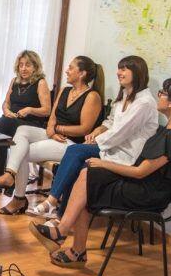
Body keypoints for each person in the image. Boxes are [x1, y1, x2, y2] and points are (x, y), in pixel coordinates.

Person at [29, 78, 171, 267]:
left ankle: (67, 238)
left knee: (88, 179)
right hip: (144, 184)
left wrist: (104, 164)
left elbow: (139, 172)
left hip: (148, 193)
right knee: (87, 176)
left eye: (163, 93)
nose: (158, 95)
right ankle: (67, 239)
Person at [30, 55, 159, 219]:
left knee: (75, 150)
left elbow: (121, 133)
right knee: (76, 161)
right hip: (112, 145)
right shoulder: (126, 95)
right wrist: (98, 130)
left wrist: (95, 141)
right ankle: (58, 211)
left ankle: (53, 202)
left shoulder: (144, 103)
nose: (119, 72)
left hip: (124, 154)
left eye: (124, 69)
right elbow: (111, 121)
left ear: (137, 72)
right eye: (119, 68)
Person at [0, 55, 103, 215]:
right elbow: (52, 117)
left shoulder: (92, 96)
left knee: (22, 151)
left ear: (82, 74)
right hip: (54, 135)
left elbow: (84, 129)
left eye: (71, 68)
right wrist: (51, 130)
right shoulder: (65, 91)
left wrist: (57, 130)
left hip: (71, 144)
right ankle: (10, 175)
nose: (67, 70)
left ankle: (18, 198)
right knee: (21, 130)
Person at [0, 51, 52, 193]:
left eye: (28, 65)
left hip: (32, 125)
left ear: (35, 67)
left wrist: (30, 110)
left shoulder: (40, 83)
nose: (23, 68)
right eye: (21, 65)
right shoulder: (14, 81)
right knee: (1, 129)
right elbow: (6, 103)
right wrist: (7, 111)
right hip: (13, 120)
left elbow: (47, 110)